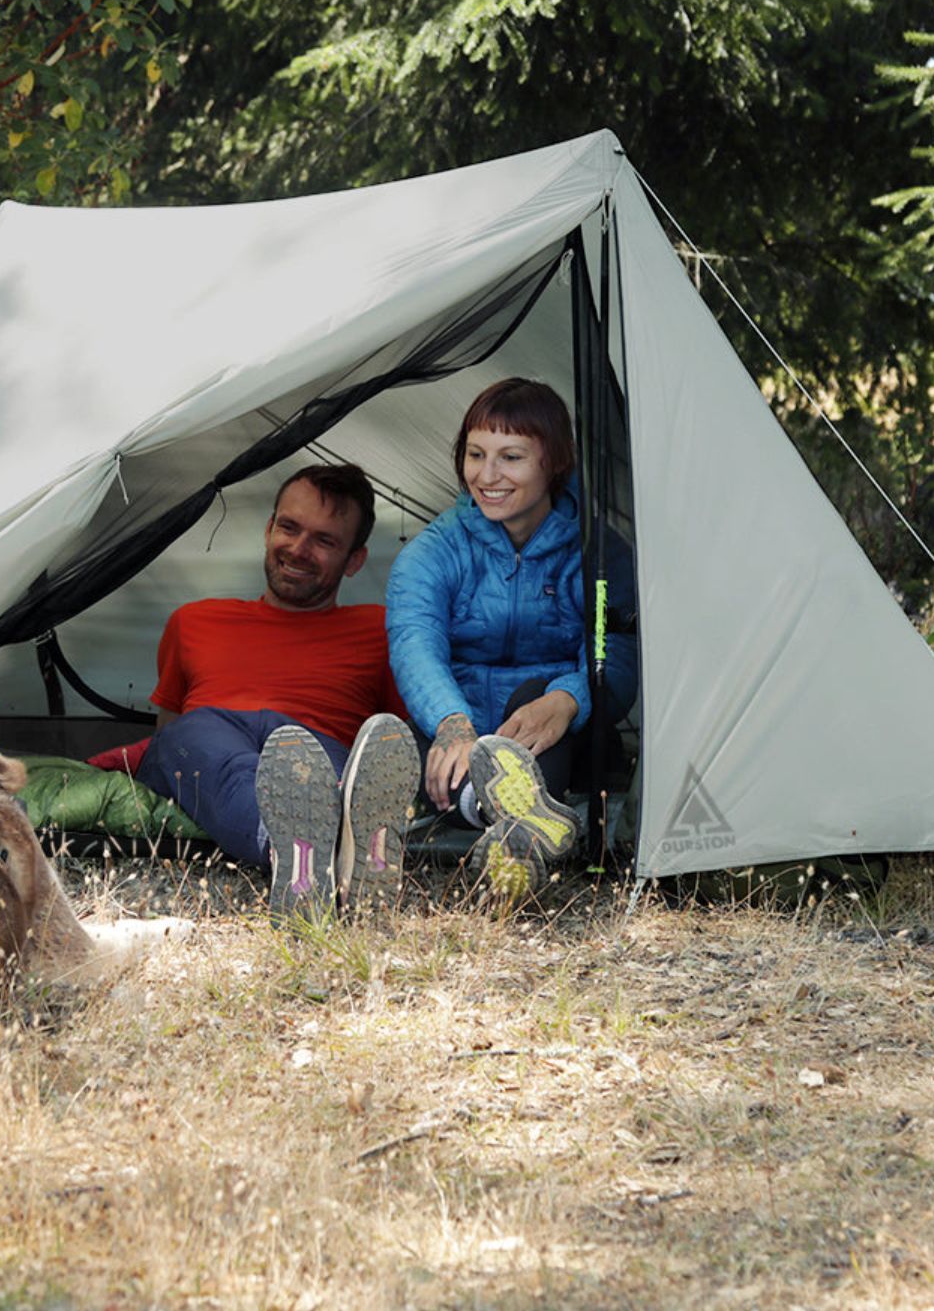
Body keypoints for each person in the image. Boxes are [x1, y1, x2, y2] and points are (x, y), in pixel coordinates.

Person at [135, 464, 418, 918]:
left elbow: (395, 742)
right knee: (196, 735)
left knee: (311, 766)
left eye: (324, 541)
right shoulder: (193, 621)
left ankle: (311, 853)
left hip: (317, 752)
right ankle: (302, 845)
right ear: (268, 529)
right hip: (208, 742)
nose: (299, 549)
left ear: (355, 560)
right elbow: (169, 738)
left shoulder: (382, 631)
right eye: (289, 528)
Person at [386, 377, 597, 899]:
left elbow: (615, 649)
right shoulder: (434, 551)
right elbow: (415, 640)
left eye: (511, 457)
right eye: (476, 454)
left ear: (554, 462)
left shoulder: (593, 553)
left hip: (551, 734)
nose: (487, 475)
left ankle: (508, 818)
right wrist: (452, 723)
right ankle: (511, 828)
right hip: (456, 738)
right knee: (391, 740)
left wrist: (570, 698)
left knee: (537, 702)